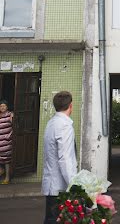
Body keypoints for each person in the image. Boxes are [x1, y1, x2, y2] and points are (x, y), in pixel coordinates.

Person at [42, 91, 77, 224]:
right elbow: (65, 158)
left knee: (52, 219)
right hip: (59, 185)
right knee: (55, 220)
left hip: (52, 183)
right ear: (70, 105)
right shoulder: (64, 126)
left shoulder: (52, 122)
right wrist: (74, 186)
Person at [0, 99, 13, 184]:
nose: (2, 107)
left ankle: (7, 178)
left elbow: (15, 126)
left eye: (4, 106)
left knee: (6, 160)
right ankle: (1, 170)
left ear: (7, 107)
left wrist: (10, 135)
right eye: (1, 106)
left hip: (6, 142)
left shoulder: (10, 115)